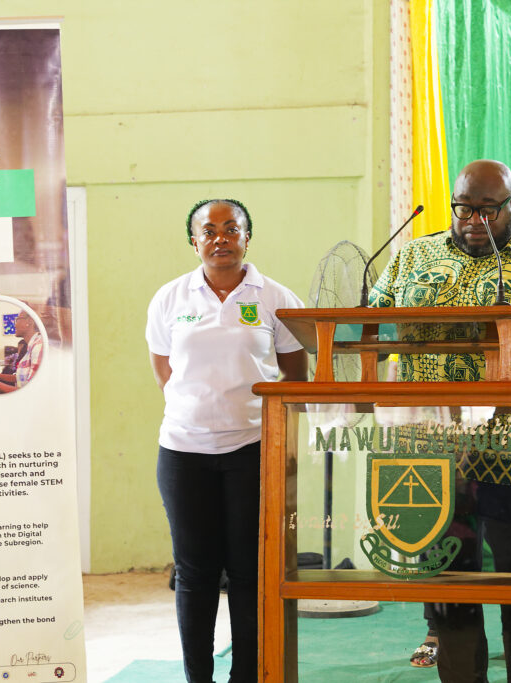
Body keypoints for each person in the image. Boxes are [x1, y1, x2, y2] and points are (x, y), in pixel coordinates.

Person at [370, 159, 511, 683]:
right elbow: (369, 319)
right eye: (463, 208)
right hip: (429, 448)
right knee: (450, 589)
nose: (472, 219)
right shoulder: (413, 255)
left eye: (486, 209)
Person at [145, 199, 307, 683]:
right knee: (194, 574)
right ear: (193, 241)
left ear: (247, 238)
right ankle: (198, 677)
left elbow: (296, 376)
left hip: (252, 451)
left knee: (248, 572)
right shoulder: (170, 299)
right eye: (208, 230)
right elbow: (165, 374)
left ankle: (246, 675)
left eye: (231, 229)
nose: (220, 238)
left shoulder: (277, 298)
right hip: (183, 452)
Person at [0, 311, 43, 393]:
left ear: (29, 321)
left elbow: (30, 392)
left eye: (17, 320)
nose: (14, 325)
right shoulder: (31, 347)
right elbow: (19, 377)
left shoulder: (39, 346)